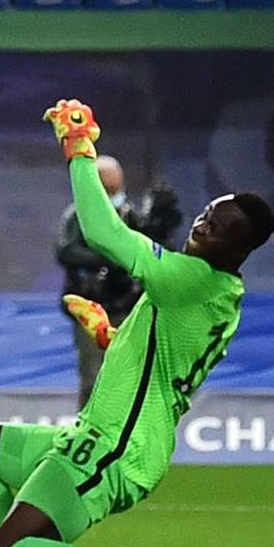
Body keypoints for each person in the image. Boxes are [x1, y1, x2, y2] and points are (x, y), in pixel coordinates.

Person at [0, 99, 274, 547]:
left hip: (117, 447)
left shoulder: (192, 279)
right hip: (97, 436)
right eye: (207, 215)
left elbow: (103, 234)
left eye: (218, 228)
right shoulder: (211, 289)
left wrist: (78, 151)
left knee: (10, 546)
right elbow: (165, 362)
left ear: (239, 248)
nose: (202, 227)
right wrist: (110, 336)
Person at [56, 155, 182, 408]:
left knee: (132, 373)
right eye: (109, 189)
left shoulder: (129, 214)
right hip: (93, 307)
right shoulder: (78, 215)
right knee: (94, 375)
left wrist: (162, 220)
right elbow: (66, 251)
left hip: (128, 306)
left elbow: (150, 248)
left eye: (118, 187)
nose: (116, 194)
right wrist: (108, 260)